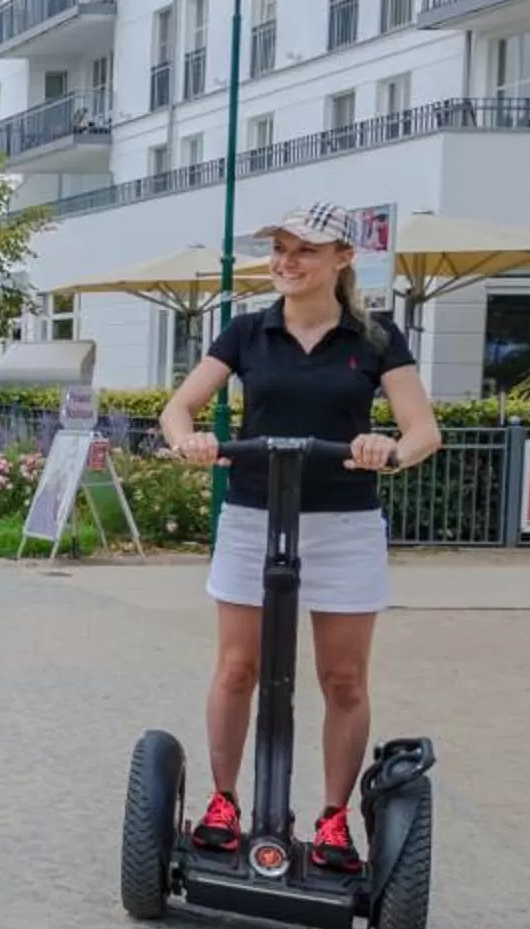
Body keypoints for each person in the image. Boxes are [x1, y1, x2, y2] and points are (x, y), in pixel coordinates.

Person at [159, 203, 440, 874]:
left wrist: (388, 450)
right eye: (279, 249)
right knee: (237, 668)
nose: (285, 261)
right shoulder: (247, 332)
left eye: (303, 250)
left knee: (343, 678)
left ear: (342, 258)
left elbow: (423, 430)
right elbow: (178, 407)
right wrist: (189, 441)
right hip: (256, 511)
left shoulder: (374, 338)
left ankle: (336, 819)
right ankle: (224, 802)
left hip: (343, 521)